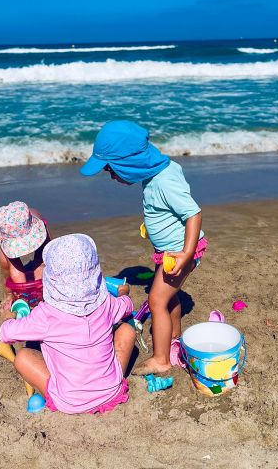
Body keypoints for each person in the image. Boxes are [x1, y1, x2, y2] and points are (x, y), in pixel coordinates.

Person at [80, 120, 207, 376]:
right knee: (168, 297)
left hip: (180, 252)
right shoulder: (157, 172)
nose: (113, 177)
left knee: (156, 300)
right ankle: (174, 336)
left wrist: (186, 253)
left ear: (129, 163)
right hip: (170, 251)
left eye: (112, 170)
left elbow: (193, 213)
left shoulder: (163, 181)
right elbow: (167, 208)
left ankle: (161, 359)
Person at [0, 233, 136, 414]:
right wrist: (123, 293)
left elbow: (6, 334)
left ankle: (56, 395)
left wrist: (7, 316)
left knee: (23, 357)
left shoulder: (46, 315)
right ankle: (106, 385)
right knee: (126, 330)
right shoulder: (107, 303)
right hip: (111, 391)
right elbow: (127, 306)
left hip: (70, 402)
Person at [0, 201, 51, 320]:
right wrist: (9, 294)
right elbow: (6, 272)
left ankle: (45, 292)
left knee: (43, 260)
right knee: (9, 266)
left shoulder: (40, 226)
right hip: (10, 237)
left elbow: (51, 257)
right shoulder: (6, 236)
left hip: (31, 230)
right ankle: (16, 296)